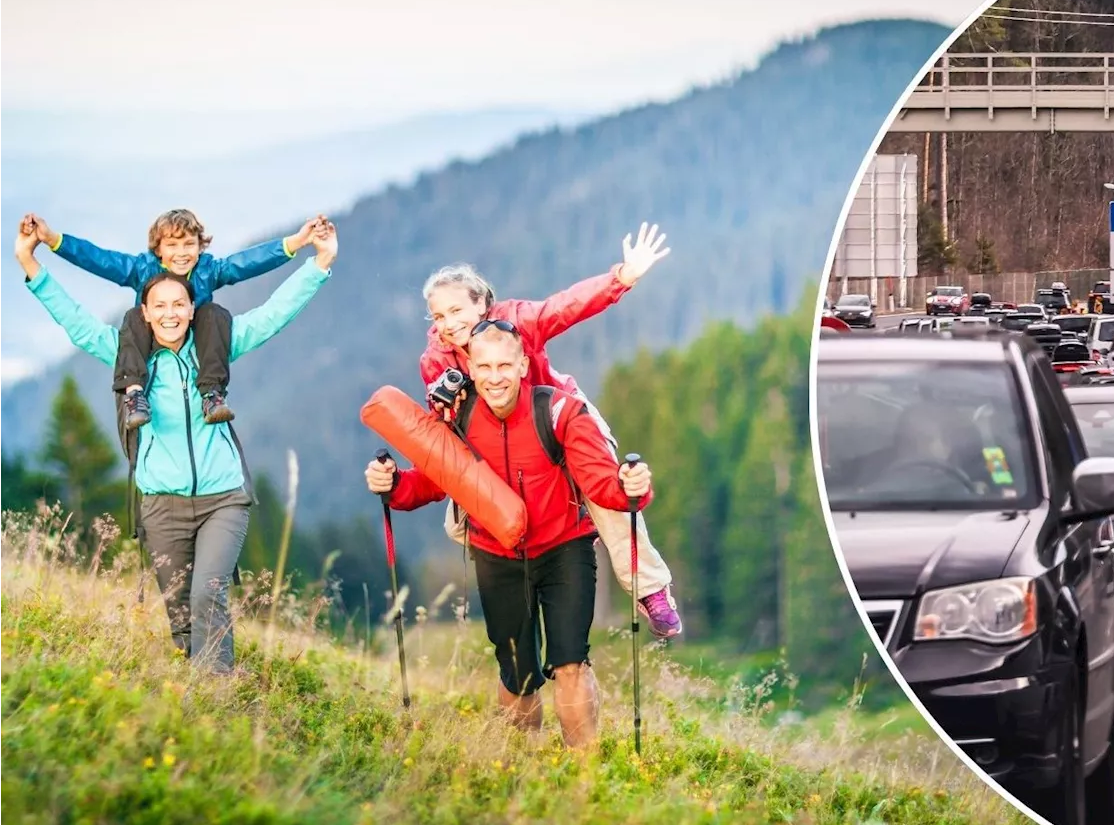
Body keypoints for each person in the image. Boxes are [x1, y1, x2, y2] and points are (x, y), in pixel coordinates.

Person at [15, 215, 338, 674]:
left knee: (209, 593)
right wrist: (31, 263)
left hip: (222, 497)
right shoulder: (129, 358)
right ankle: (199, 691)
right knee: (182, 615)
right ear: (144, 313)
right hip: (160, 502)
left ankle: (219, 692)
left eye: (179, 304)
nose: (170, 313)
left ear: (193, 308)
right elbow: (77, 323)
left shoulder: (216, 347)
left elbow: (272, 315)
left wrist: (319, 264)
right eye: (160, 306)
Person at [365, 322, 653, 748]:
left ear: (523, 365)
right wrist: (392, 485)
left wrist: (633, 487)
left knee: (570, 661)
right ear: (472, 369)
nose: (495, 376)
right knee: (517, 675)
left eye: (504, 365)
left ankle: (585, 772)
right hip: (496, 553)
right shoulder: (459, 418)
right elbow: (431, 482)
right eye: (484, 366)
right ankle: (520, 765)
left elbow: (600, 484)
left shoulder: (560, 412)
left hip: (564, 550)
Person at [417, 221, 681, 638]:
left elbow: (564, 306)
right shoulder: (436, 360)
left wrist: (621, 278)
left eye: (456, 311)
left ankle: (650, 589)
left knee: (606, 492)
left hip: (557, 416)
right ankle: (554, 530)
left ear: (483, 303)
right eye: (438, 316)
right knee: (457, 524)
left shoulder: (516, 322)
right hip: (500, 440)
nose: (448, 324)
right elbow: (442, 431)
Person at [23, 209, 319, 431]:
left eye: (189, 244)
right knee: (135, 316)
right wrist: (53, 240)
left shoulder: (208, 270)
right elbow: (99, 259)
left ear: (200, 246)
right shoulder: (142, 269)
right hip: (149, 339)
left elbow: (246, 263)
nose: (181, 253)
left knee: (213, 315)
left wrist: (294, 243)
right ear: (158, 249)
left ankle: (212, 394)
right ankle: (135, 395)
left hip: (194, 338)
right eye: (172, 245)